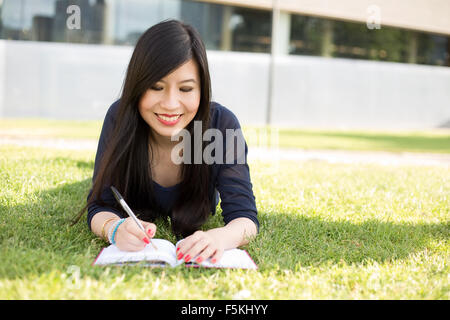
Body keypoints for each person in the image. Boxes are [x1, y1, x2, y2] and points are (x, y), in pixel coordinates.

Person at [72, 19, 259, 265]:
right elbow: (100, 205)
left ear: (202, 90)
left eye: (185, 89)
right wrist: (114, 228)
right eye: (156, 87)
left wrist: (221, 238)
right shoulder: (120, 117)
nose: (170, 104)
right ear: (137, 87)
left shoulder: (220, 125)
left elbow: (245, 218)